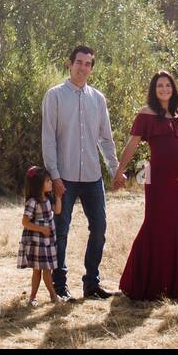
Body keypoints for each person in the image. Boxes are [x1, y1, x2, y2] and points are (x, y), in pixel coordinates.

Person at [42, 45, 119, 300]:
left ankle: (91, 284)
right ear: (69, 63)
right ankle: (59, 286)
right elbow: (48, 139)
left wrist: (114, 168)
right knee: (60, 231)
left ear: (91, 68)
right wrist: (54, 176)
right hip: (63, 178)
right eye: (79, 62)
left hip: (92, 178)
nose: (83, 67)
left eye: (88, 63)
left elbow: (106, 139)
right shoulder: (54, 96)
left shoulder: (97, 98)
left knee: (99, 227)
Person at [113, 70, 178, 301]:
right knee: (154, 225)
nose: (164, 89)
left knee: (174, 228)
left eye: (168, 85)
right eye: (159, 85)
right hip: (158, 180)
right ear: (153, 89)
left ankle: (170, 287)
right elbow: (132, 145)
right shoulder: (146, 114)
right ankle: (139, 284)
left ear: (173, 88)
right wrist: (120, 171)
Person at [18, 166, 66, 305]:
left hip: (48, 241)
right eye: (47, 181)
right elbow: (25, 222)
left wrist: (58, 197)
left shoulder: (48, 199)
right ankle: (38, 297)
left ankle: (49, 296)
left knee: (46, 270)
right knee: (39, 271)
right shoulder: (33, 202)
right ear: (38, 184)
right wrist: (41, 229)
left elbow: (57, 211)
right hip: (38, 242)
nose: (51, 182)